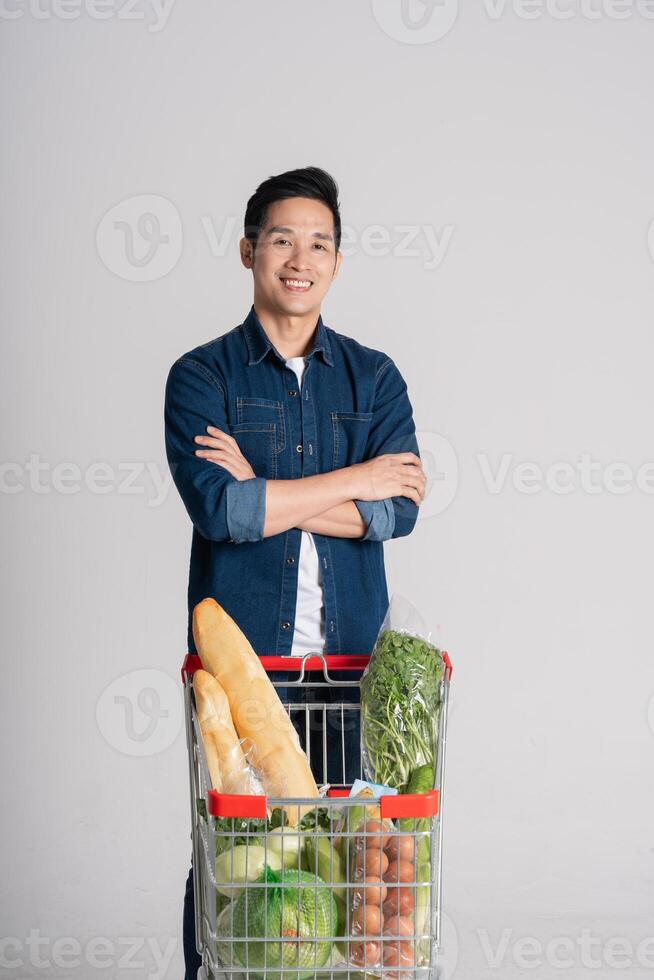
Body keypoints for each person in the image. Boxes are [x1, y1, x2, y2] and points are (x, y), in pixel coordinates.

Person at [164, 166, 427, 980]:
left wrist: (272, 487)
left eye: (319, 242)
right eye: (281, 239)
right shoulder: (202, 377)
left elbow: (399, 513)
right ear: (249, 250)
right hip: (244, 671)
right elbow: (226, 514)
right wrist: (355, 478)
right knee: (234, 865)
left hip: (352, 666)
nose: (299, 258)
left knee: (346, 877)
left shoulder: (374, 378)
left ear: (338, 262)